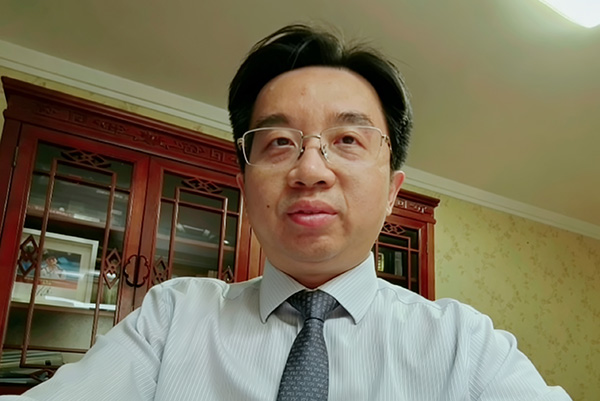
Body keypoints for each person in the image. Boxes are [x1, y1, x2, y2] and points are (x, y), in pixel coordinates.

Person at [1, 24, 571, 400]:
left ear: (393, 192)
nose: (310, 170)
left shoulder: (463, 345)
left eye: (347, 140)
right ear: (244, 186)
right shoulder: (172, 319)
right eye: (278, 143)